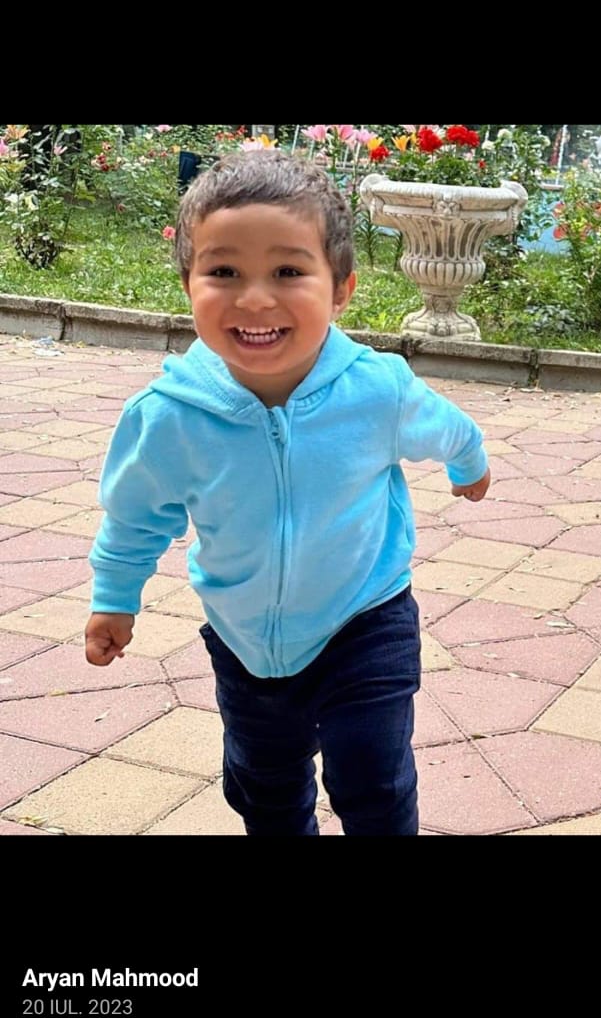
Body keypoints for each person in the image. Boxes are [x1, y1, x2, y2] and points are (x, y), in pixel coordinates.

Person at [84, 150, 491, 836]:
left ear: (341, 289)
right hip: (245, 639)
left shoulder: (377, 389)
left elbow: (448, 427)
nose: (254, 299)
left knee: (373, 775)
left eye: (288, 272)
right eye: (223, 272)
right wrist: (114, 599)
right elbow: (134, 517)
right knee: (265, 788)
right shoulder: (167, 416)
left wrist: (469, 465)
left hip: (366, 617)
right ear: (187, 284)